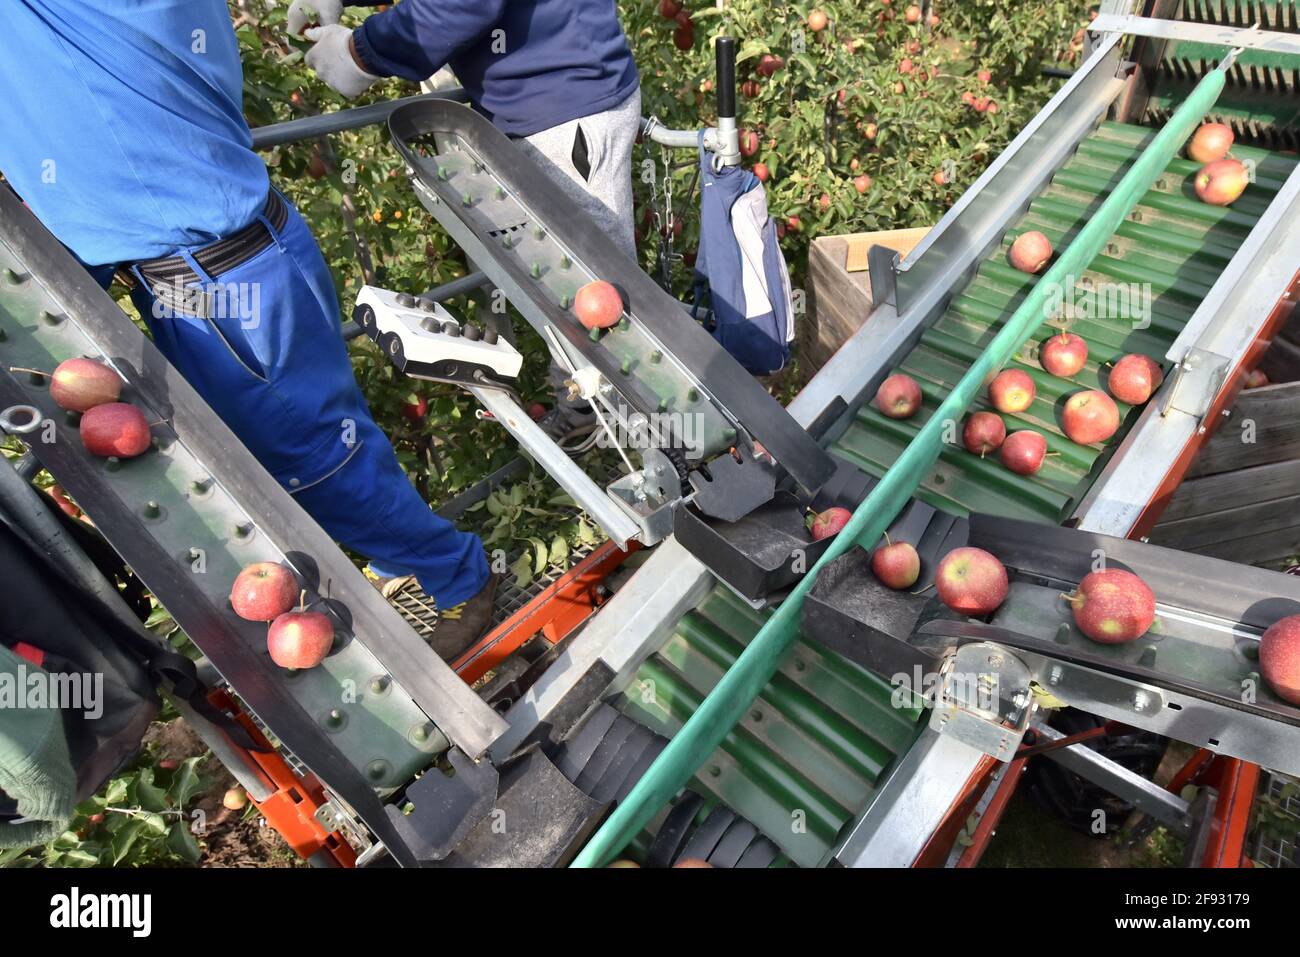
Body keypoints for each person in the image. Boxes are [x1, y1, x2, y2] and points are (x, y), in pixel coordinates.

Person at [0, 0, 496, 661]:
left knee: (314, 460)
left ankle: (459, 578)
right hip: (193, 273)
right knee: (299, 447)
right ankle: (397, 556)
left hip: (217, 281)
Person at [293, 0, 641, 436]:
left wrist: (359, 52)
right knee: (571, 280)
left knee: (593, 286)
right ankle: (595, 412)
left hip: (563, 105)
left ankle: (634, 436)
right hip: (553, 94)